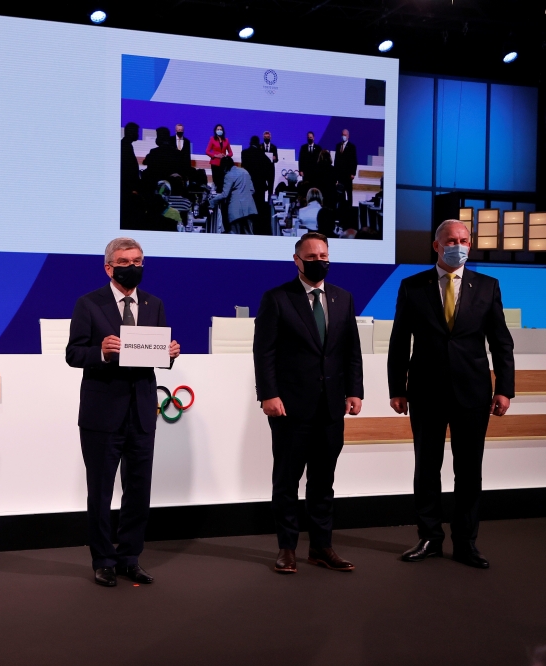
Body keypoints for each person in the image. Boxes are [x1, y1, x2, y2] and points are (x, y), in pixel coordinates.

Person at [388, 219, 514, 569]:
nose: (457, 245)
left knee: (469, 471)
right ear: (436, 245)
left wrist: (505, 389)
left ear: (470, 245)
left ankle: (465, 542)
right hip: (425, 392)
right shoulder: (412, 286)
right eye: (450, 240)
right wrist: (397, 388)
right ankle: (429, 537)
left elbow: (501, 342)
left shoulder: (488, 286)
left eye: (463, 240)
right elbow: (400, 342)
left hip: (473, 392)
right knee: (427, 469)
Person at [65, 238, 180, 587]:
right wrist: (100, 351)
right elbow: (73, 354)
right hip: (102, 413)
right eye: (125, 261)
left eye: (138, 260)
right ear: (109, 267)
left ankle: (130, 557)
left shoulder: (154, 304)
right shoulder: (89, 304)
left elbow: (155, 356)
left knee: (138, 489)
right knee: (100, 490)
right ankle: (103, 559)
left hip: (142, 411)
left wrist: (171, 353)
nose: (133, 266)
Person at [253, 232, 364, 575]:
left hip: (331, 407)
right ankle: (287, 548)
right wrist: (268, 394)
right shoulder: (277, 298)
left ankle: (321, 547)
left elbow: (350, 351)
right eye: (312, 256)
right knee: (287, 480)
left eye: (325, 255)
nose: (320, 260)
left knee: (323, 480)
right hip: (290, 406)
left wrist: (355, 390)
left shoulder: (343, 298)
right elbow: (264, 351)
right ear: (297, 260)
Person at [210, 157, 258, 234]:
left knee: (235, 235)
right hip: (249, 207)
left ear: (224, 166)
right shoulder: (245, 172)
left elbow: (225, 194)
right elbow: (252, 190)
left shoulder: (229, 175)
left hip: (235, 209)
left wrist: (212, 201)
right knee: (249, 234)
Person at [242, 136, 275, 235]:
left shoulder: (244, 153)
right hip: (260, 188)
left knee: (248, 211)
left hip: (247, 187)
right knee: (258, 209)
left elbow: (244, 170)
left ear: (250, 142)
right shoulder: (263, 155)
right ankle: (258, 230)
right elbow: (270, 174)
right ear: (258, 144)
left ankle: (248, 229)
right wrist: (270, 191)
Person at [333, 129, 358, 207]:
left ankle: (349, 209)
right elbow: (336, 160)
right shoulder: (338, 146)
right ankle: (342, 209)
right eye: (342, 134)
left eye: (345, 135)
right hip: (340, 175)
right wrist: (335, 174)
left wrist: (353, 173)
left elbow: (354, 161)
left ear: (348, 136)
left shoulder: (352, 147)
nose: (343, 136)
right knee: (341, 193)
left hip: (348, 175)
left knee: (349, 193)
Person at [205, 123, 233, 191]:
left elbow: (231, 153)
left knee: (222, 181)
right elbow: (207, 151)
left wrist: (225, 155)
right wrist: (215, 155)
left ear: (223, 131)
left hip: (223, 164)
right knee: (216, 181)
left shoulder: (226, 140)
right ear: (215, 131)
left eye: (220, 129)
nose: (219, 130)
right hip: (215, 163)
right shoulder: (212, 139)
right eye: (218, 129)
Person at [121, 122, 141, 197]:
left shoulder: (126, 144)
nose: (138, 134)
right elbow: (129, 169)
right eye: (136, 132)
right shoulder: (125, 146)